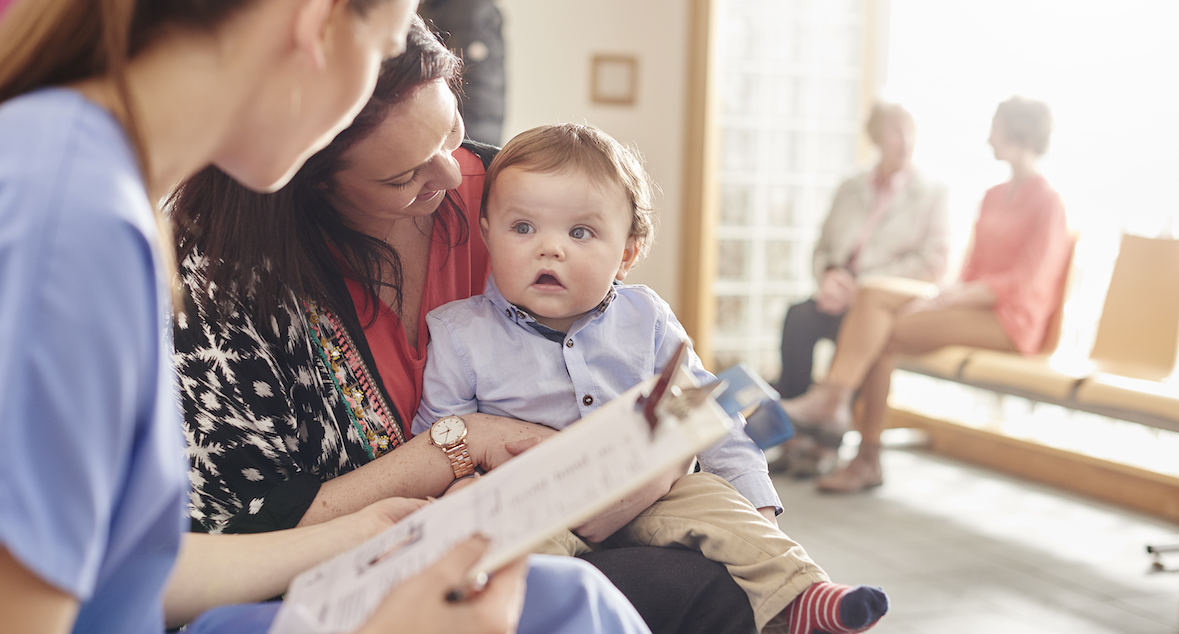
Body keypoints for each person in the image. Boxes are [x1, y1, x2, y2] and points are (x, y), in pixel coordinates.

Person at [0, 1, 651, 633]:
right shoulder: (77, 221)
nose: (450, 175)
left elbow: (124, 573)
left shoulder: (78, 169)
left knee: (575, 599)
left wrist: (363, 532)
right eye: (389, 45)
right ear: (318, 26)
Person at [170, 17, 751, 634]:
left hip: (586, 518)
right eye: (403, 176)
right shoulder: (222, 285)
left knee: (726, 581)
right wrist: (464, 440)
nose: (453, 178)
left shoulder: (519, 200)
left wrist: (660, 467)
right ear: (304, 176)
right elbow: (237, 531)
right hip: (369, 572)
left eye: (451, 131)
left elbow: (637, 359)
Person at [414, 122, 892, 634]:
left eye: (580, 233)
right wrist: (464, 494)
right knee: (511, 561)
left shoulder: (647, 319)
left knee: (715, 500)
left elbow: (710, 415)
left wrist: (757, 510)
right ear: (488, 234)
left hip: (654, 493)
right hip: (534, 506)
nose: (550, 249)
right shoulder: (459, 333)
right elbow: (434, 443)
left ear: (627, 253)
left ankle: (800, 598)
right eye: (523, 228)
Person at [782, 96, 1070, 493]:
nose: (989, 137)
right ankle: (838, 409)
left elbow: (1027, 282)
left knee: (884, 333)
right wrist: (947, 294)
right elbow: (972, 267)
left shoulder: (1049, 202)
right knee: (873, 295)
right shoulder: (993, 195)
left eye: (995, 127)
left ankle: (857, 442)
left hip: (1011, 321)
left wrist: (955, 297)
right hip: (970, 305)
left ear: (1016, 131)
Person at [772, 102, 949, 477]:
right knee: (798, 319)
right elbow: (823, 247)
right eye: (896, 131)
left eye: (910, 130)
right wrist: (830, 275)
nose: (905, 140)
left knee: (855, 330)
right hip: (839, 292)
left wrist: (865, 287)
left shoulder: (932, 193)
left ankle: (826, 443)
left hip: (882, 302)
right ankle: (791, 435)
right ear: (876, 137)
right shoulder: (851, 187)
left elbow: (932, 264)